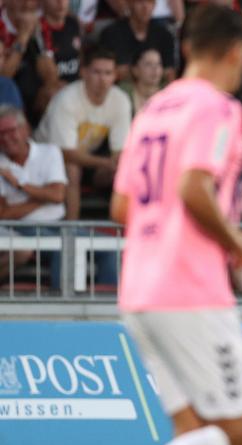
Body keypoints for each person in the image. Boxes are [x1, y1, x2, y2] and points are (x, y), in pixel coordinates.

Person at [83, 6, 242, 445]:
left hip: (138, 286)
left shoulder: (152, 109)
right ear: (236, 52)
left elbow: (120, 208)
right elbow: (194, 187)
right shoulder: (218, 108)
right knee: (238, 434)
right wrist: (241, 245)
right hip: (189, 288)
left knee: (193, 435)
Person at [34, 45, 131, 220]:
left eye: (108, 73)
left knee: (123, 169)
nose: (102, 79)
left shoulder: (121, 100)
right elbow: (65, 154)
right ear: (83, 72)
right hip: (44, 160)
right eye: (96, 72)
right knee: (72, 169)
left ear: (115, 76)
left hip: (87, 159)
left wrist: (115, 163)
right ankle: (72, 232)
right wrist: (107, 162)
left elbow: (120, 151)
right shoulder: (67, 99)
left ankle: (121, 234)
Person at [0, 104, 66, 282]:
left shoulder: (50, 151)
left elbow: (58, 196)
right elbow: (4, 214)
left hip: (59, 225)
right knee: (64, 248)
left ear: (26, 129)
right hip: (22, 227)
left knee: (109, 248)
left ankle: (116, 308)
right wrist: (45, 197)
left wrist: (20, 184)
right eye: (1, 133)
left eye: (11, 131)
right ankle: (61, 306)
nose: (6, 138)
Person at [99, 0, 177, 83]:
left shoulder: (164, 35)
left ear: (154, 5)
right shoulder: (111, 33)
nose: (145, 7)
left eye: (149, 2)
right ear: (129, 4)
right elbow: (107, 70)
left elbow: (170, 72)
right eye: (140, 2)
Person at [38, 0, 83, 85]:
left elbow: (81, 57)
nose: (61, 2)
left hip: (77, 83)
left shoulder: (73, 23)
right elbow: (50, 78)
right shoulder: (39, 29)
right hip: (57, 87)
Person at [118, 46, 163, 115]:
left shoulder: (168, 94)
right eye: (148, 64)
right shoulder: (124, 93)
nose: (155, 68)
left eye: (158, 64)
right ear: (135, 70)